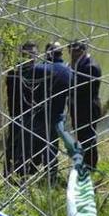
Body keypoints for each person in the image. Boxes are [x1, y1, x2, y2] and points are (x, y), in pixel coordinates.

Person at [28, 42, 72, 181]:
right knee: (52, 146)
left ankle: (29, 172)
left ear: (48, 54)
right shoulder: (68, 71)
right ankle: (51, 176)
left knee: (34, 142)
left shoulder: (41, 68)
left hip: (41, 114)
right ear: (61, 54)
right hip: (59, 115)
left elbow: (27, 73)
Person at [5, 42, 37, 179]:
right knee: (14, 143)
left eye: (34, 54)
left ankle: (23, 173)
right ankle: (9, 173)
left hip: (32, 114)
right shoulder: (15, 72)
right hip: (19, 113)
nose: (32, 57)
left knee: (28, 146)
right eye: (29, 54)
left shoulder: (37, 71)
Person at [69, 40, 101, 170]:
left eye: (76, 51)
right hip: (79, 107)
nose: (73, 54)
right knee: (81, 137)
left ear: (83, 51)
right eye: (71, 51)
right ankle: (84, 163)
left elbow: (79, 89)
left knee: (88, 137)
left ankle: (90, 166)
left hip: (88, 107)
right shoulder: (79, 64)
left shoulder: (90, 67)